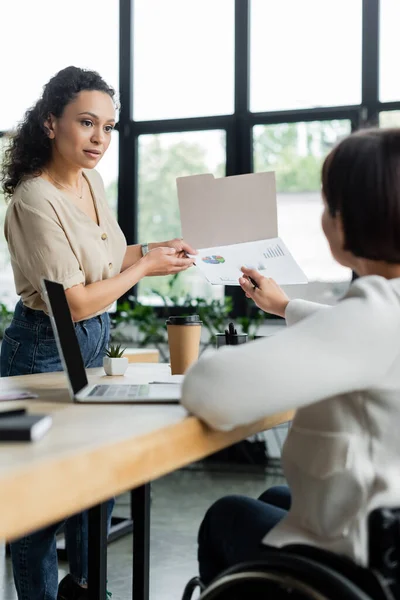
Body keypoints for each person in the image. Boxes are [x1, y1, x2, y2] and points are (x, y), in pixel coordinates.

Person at [0, 66, 196, 600]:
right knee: (40, 507)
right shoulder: (33, 199)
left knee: (99, 489)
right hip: (42, 348)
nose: (99, 139)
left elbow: (107, 262)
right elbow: (73, 299)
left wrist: (154, 252)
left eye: (108, 127)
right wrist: (143, 271)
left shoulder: (92, 181)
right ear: (49, 123)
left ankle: (85, 591)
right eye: (87, 123)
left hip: (89, 343)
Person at [181, 127, 400, 586]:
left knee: (228, 514)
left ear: (345, 220)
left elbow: (210, 390)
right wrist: (284, 306)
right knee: (277, 496)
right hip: (388, 523)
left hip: (375, 560)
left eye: (327, 204)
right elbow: (356, 335)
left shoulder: (375, 313)